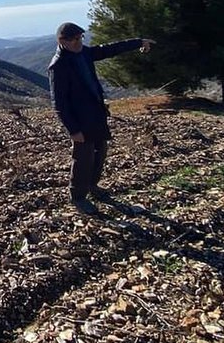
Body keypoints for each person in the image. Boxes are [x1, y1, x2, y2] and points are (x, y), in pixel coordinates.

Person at [48, 22, 155, 205]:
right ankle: (78, 197)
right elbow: (59, 103)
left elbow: (111, 49)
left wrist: (138, 42)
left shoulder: (85, 53)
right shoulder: (58, 66)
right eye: (73, 39)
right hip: (80, 120)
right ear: (61, 41)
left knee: (100, 153)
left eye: (80, 37)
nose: (78, 42)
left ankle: (92, 186)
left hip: (97, 114)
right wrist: (73, 130)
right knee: (83, 158)